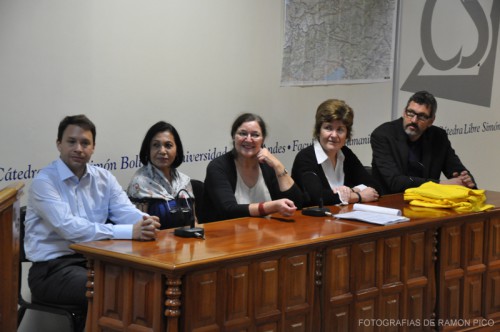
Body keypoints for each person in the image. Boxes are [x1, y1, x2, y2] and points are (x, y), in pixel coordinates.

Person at [24, 115, 160, 328]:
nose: (79, 148)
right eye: (72, 141)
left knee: (146, 284)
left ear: (93, 147)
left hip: (95, 261)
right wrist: (128, 231)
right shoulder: (44, 182)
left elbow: (125, 211)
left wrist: (145, 222)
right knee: (111, 289)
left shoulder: (104, 178)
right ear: (59, 144)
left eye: (85, 143)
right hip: (51, 270)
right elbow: (70, 229)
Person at [201, 113, 302, 222]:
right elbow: (228, 210)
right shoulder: (218, 167)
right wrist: (272, 207)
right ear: (233, 136)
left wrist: (278, 166)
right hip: (226, 234)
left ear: (262, 140)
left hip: (265, 233)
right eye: (243, 133)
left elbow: (296, 204)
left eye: (255, 135)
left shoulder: (268, 165)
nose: (248, 139)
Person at [371, 90, 476, 195]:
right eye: (410, 113)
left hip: (427, 201)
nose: (414, 120)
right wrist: (441, 184)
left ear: (431, 120)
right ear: (404, 112)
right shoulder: (383, 135)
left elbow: (457, 170)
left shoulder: (438, 137)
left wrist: (466, 180)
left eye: (421, 116)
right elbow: (395, 182)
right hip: (391, 202)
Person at [292, 99, 380, 206]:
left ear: (347, 134)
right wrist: (358, 196)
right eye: (328, 128)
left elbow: (374, 186)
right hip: (314, 221)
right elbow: (317, 198)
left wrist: (352, 190)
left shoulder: (346, 153)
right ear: (318, 130)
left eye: (340, 130)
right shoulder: (305, 158)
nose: (334, 135)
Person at [127, 121, 195, 229]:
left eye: (168, 145)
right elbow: (139, 229)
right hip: (153, 243)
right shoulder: (139, 183)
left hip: (186, 243)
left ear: (177, 150)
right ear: (148, 150)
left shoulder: (184, 181)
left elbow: (193, 222)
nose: (162, 151)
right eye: (156, 145)